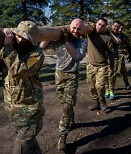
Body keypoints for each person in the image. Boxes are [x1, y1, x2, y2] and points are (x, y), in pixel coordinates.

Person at [40, 18, 87, 152]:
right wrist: (52, 33)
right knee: (65, 103)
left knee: (66, 107)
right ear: (69, 27)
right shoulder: (60, 39)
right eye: (74, 27)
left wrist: (65, 41)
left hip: (72, 76)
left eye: (79, 28)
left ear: (82, 30)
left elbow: (77, 57)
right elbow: (42, 46)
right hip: (58, 75)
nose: (76, 30)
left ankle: (62, 137)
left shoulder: (82, 42)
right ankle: (71, 122)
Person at [0, 21, 45, 154]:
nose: (20, 39)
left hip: (30, 114)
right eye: (18, 35)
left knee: (20, 146)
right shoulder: (11, 51)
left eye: (24, 38)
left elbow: (19, 70)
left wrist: (8, 45)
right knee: (31, 145)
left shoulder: (37, 55)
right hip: (14, 112)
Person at [86, 18, 114, 111]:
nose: (100, 27)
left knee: (100, 86)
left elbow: (111, 53)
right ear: (95, 24)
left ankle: (102, 101)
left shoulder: (107, 38)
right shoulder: (89, 34)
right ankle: (96, 102)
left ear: (105, 27)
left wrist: (112, 67)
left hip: (102, 66)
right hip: (90, 65)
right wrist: (91, 24)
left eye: (102, 26)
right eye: (98, 24)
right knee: (91, 87)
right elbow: (83, 26)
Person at [105, 21, 131, 99]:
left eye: (119, 27)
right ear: (112, 25)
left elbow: (128, 45)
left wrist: (129, 54)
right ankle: (107, 89)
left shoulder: (122, 36)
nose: (118, 28)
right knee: (106, 73)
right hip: (105, 57)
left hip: (117, 56)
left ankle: (121, 84)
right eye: (115, 26)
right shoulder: (106, 32)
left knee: (118, 71)